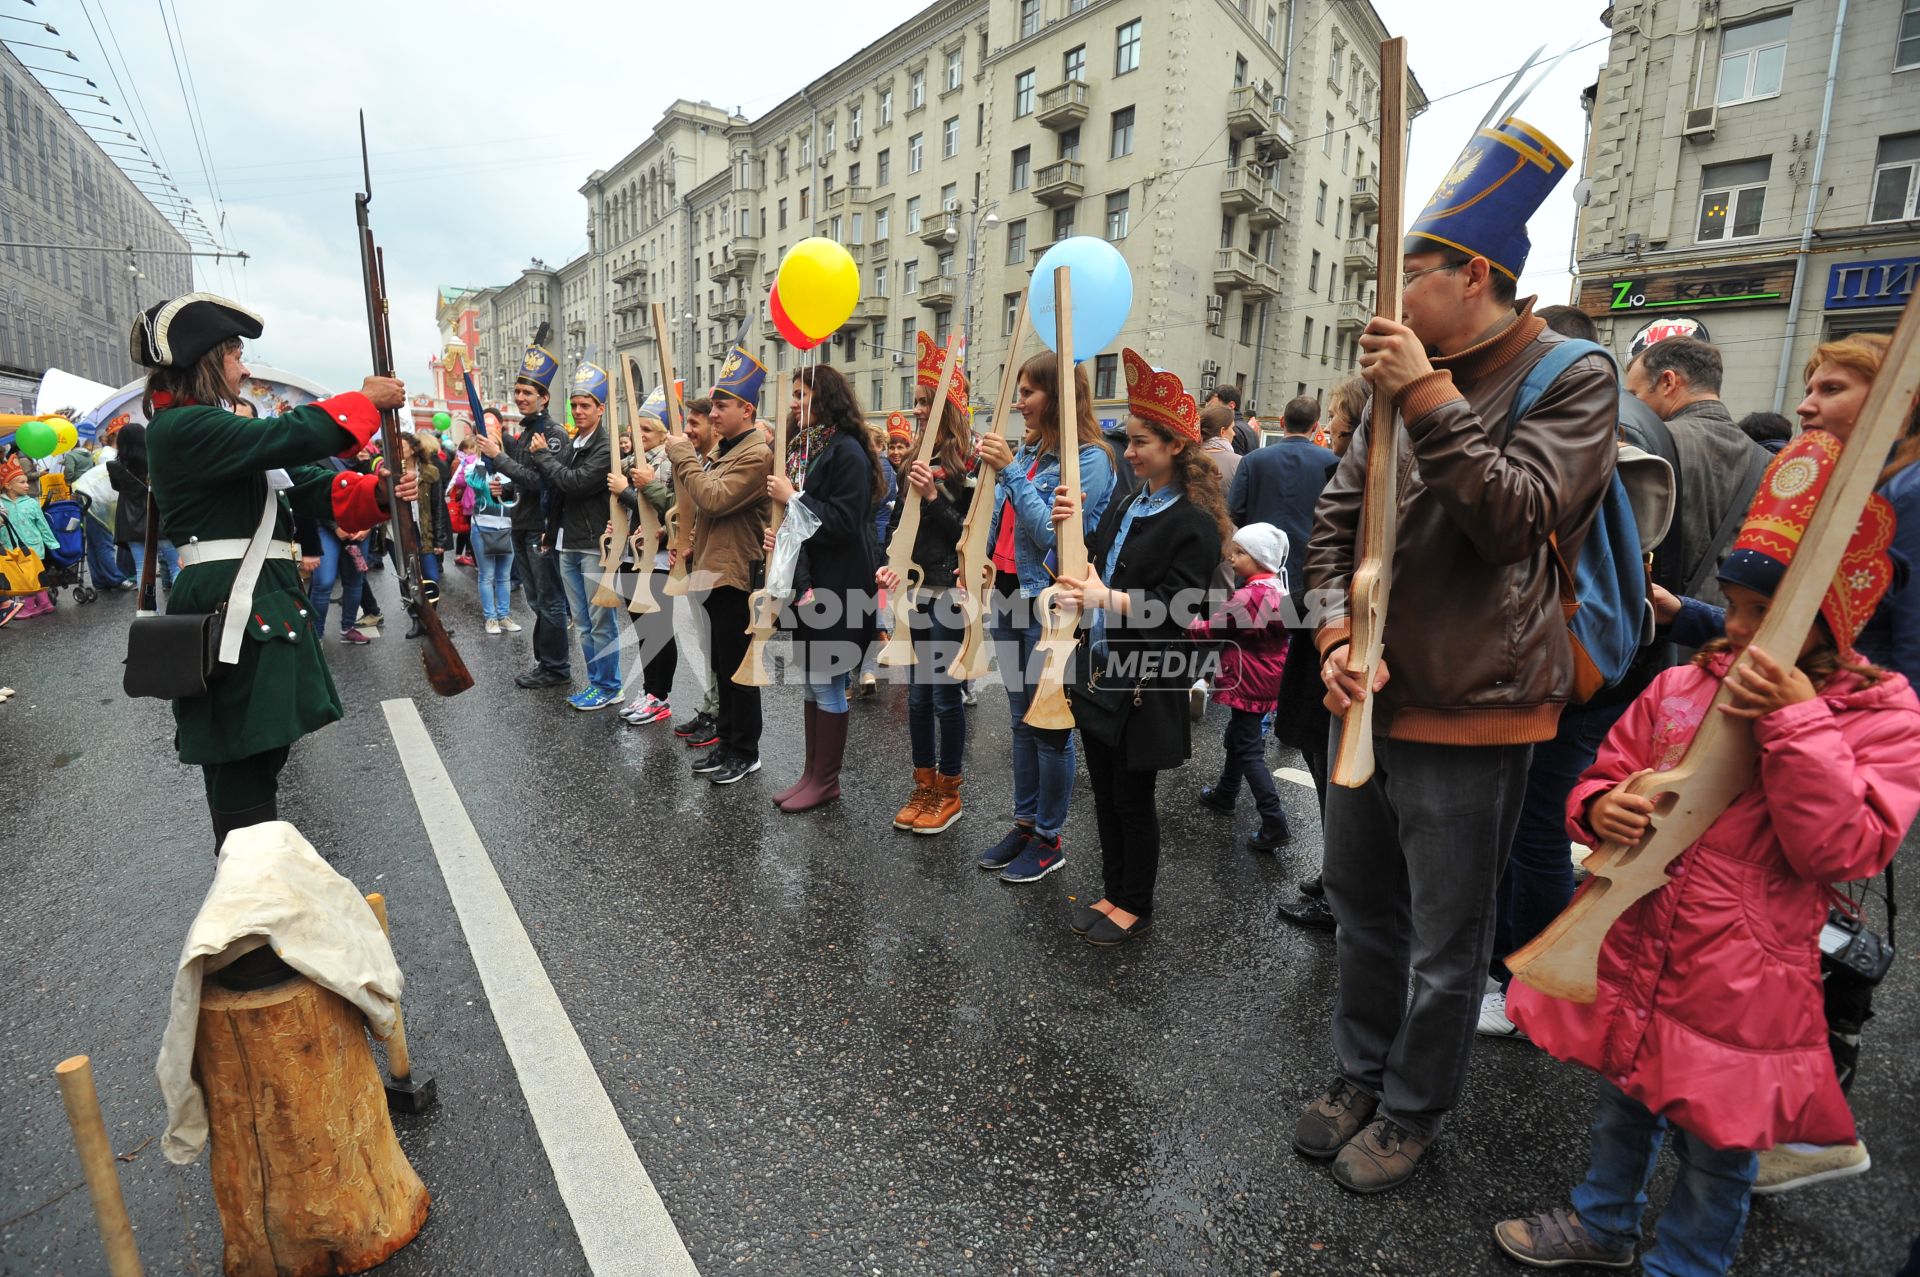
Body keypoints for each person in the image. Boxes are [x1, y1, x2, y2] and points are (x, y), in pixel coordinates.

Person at [1497, 431, 1920, 1274]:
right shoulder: (1685, 682)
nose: (1737, 628)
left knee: (1718, 1146)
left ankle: (1687, 1262)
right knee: (1624, 1099)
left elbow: (1842, 844)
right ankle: (1603, 1223)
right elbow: (1608, 771)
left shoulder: (1877, 712)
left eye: (1765, 614)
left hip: (1746, 979)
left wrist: (1795, 721)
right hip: (1646, 941)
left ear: (1825, 618)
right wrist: (1600, 806)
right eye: (1732, 605)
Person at [1299, 117, 1616, 1192]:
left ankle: (1411, 1107)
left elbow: (1517, 518)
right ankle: (1359, 1068)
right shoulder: (1396, 379)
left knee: (1446, 940)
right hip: (1369, 699)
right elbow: (1332, 529)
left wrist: (1428, 393)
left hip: (1475, 703)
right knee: (1361, 906)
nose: (1386, 303)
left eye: (1411, 275)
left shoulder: (1571, 374)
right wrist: (1337, 634)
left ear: (1473, 273)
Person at [133, 292, 410, 851]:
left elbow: (306, 485)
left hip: (264, 602)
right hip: (229, 605)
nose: (243, 364)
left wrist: (378, 492)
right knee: (239, 764)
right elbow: (286, 437)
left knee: (259, 756)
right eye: (234, 352)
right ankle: (248, 901)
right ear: (208, 360)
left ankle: (257, 891)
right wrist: (360, 400)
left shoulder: (216, 430)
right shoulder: (183, 427)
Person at [1053, 350, 1225, 944]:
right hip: (1102, 667)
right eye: (1127, 441)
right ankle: (1112, 888)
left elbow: (1184, 606)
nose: (1129, 453)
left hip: (1146, 675)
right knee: (1102, 793)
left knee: (1132, 797)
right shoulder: (1131, 500)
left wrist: (1106, 599)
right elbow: (1093, 564)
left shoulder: (1195, 519)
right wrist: (1068, 524)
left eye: (1142, 442)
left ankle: (1136, 903)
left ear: (1176, 445)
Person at [975, 350, 1118, 884]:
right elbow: (999, 522)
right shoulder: (1030, 451)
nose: (1019, 402)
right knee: (1019, 720)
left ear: (1056, 397)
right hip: (1010, 596)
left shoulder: (1091, 459)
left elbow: (1055, 543)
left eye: (1028, 392)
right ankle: (1025, 821)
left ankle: (1050, 837)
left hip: (1049, 607)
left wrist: (1010, 471)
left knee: (1050, 727)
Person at [1227, 393, 1340, 924]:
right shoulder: (1328, 461)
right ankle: (1229, 787)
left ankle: (1278, 824)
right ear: (1315, 425)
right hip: (1302, 584)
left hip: (1275, 581)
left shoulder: (1255, 460)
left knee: (1263, 697)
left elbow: (1235, 512)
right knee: (1261, 698)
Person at [765, 365, 885, 811]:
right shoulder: (814, 448)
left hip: (842, 584)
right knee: (813, 683)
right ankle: (811, 774)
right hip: (813, 582)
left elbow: (840, 521)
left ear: (826, 397)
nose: (794, 403)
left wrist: (792, 500)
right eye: (793, 394)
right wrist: (782, 530)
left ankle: (826, 782)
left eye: (801, 394)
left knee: (829, 682)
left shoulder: (848, 451)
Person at [879, 332, 977, 833]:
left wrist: (935, 495)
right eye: (916, 400)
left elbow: (966, 535)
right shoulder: (911, 456)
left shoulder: (970, 465)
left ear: (950, 407)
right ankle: (922, 783)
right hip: (912, 594)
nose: (918, 410)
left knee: (944, 696)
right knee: (916, 697)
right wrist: (887, 562)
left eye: (927, 401)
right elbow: (897, 525)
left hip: (948, 597)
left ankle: (949, 788)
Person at [665, 344, 772, 786]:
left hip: (737, 575)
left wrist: (685, 457)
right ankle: (727, 743)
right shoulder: (728, 448)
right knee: (723, 667)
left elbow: (714, 497)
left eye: (721, 406)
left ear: (747, 409)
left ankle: (746, 751)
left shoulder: (755, 454)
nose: (713, 415)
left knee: (739, 671)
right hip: (714, 570)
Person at [475, 338, 572, 688]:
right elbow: (525, 483)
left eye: (527, 393)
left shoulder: (554, 433)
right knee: (535, 599)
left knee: (550, 601)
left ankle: (557, 668)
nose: (519, 398)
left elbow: (546, 482)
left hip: (541, 530)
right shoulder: (528, 430)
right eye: (517, 392)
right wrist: (508, 488)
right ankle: (545, 663)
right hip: (522, 524)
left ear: (544, 397)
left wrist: (500, 458)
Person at [1190, 521, 1292, 852]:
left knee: (1249, 749)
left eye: (1239, 552)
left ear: (1259, 557)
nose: (1231, 558)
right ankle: (1226, 792)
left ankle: (1274, 821)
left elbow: (1213, 629)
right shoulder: (1276, 588)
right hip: (1267, 673)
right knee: (1238, 736)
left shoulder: (1250, 596)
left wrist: (1188, 622)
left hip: (1249, 675)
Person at [529, 361, 623, 712]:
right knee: (582, 623)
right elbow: (557, 492)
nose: (579, 411)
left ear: (601, 408)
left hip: (594, 544)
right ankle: (598, 683)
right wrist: (549, 533)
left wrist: (544, 458)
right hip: (567, 543)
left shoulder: (605, 446)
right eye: (575, 405)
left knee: (600, 622)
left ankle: (610, 686)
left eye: (586, 406)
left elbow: (576, 483)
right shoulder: (573, 442)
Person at [614, 385, 680, 724]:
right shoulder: (627, 463)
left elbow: (669, 508)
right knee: (642, 629)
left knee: (658, 629)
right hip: (629, 554)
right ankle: (649, 689)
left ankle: (660, 695)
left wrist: (628, 490)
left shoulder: (669, 465)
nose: (638, 436)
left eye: (647, 430)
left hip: (655, 557)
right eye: (635, 430)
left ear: (664, 434)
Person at [670, 398, 722, 747]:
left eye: (694, 423)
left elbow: (713, 502)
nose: (688, 430)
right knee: (707, 646)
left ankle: (719, 714)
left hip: (719, 568)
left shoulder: (718, 464)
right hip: (697, 562)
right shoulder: (703, 460)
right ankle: (710, 704)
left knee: (718, 648)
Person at [108, 422, 180, 596]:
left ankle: (147, 611)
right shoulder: (156, 460)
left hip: (130, 522)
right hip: (159, 517)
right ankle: (182, 610)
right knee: (175, 565)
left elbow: (117, 487)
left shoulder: (114, 466)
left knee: (142, 568)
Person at [466, 408, 519, 635]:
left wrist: (500, 463)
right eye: (486, 443)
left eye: (494, 443)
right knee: (486, 576)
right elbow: (477, 484)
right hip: (482, 527)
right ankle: (490, 618)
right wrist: (483, 461)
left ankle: (504, 615)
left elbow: (516, 493)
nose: (490, 447)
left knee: (504, 576)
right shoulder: (473, 467)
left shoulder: (509, 468)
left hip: (506, 528)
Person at [0, 459, 57, 622]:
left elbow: (43, 524)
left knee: (33, 574)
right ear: (8, 486)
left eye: (27, 482)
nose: (27, 485)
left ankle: (31, 606)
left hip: (33, 545)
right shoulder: (2, 503)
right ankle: (41, 603)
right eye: (22, 482)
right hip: (11, 547)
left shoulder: (32, 503)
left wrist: (52, 543)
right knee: (21, 574)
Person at [1204, 383, 1257, 455]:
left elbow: (1231, 461)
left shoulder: (1230, 429)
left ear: (1231, 405)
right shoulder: (1249, 429)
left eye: (1214, 408)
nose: (1211, 412)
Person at [1200, 402, 1240, 485]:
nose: (1234, 433)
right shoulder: (1238, 462)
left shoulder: (1188, 456)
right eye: (1232, 428)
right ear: (1222, 431)